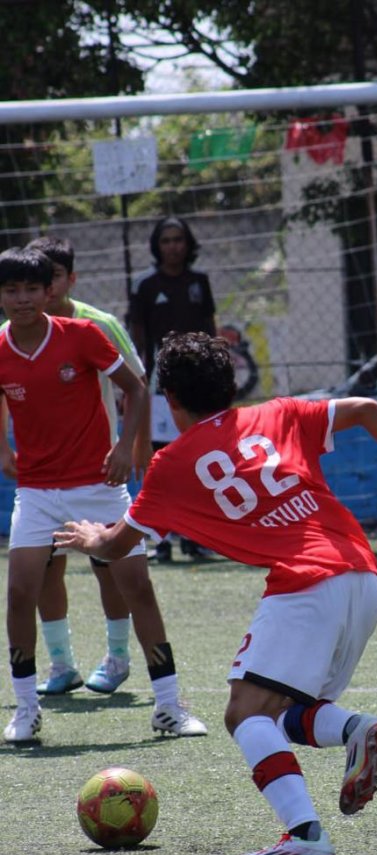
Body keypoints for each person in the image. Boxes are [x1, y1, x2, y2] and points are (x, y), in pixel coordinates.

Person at [55, 330, 377, 855]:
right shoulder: (279, 413)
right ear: (231, 382)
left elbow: (120, 542)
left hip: (307, 584)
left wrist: (87, 537)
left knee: (244, 714)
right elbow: (369, 409)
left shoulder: (172, 465)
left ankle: (305, 835)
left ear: (170, 400)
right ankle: (355, 729)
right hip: (362, 574)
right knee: (286, 713)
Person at [0, 246, 207, 743]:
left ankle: (169, 707)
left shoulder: (82, 335)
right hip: (37, 492)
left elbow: (136, 388)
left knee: (137, 586)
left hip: (99, 487)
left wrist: (123, 448)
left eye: (32, 288)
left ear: (50, 291)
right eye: (11, 290)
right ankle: (25, 710)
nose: (23, 299)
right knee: (19, 591)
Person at [11, 235, 152, 696]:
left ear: (66, 279)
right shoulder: (11, 335)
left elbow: (137, 384)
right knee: (45, 569)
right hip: (41, 477)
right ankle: (60, 664)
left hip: (97, 466)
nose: (36, 292)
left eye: (45, 280)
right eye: (23, 284)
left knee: (106, 564)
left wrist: (133, 449)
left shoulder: (96, 324)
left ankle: (117, 656)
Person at [128, 215, 217, 562]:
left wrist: (218, 374)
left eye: (178, 239)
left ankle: (194, 537)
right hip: (160, 386)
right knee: (161, 461)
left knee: (197, 458)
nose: (172, 246)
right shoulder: (146, 285)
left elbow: (210, 328)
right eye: (165, 240)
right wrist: (136, 383)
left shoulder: (199, 282)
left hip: (198, 384)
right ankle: (159, 539)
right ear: (156, 246)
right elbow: (137, 337)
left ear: (188, 243)